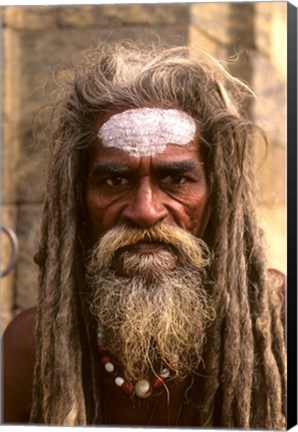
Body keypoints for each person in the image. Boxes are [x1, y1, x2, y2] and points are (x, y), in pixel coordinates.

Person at [2, 41, 286, 429]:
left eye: (176, 179)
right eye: (115, 180)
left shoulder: (281, 327)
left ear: (217, 194)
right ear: (78, 198)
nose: (146, 211)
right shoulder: (32, 347)